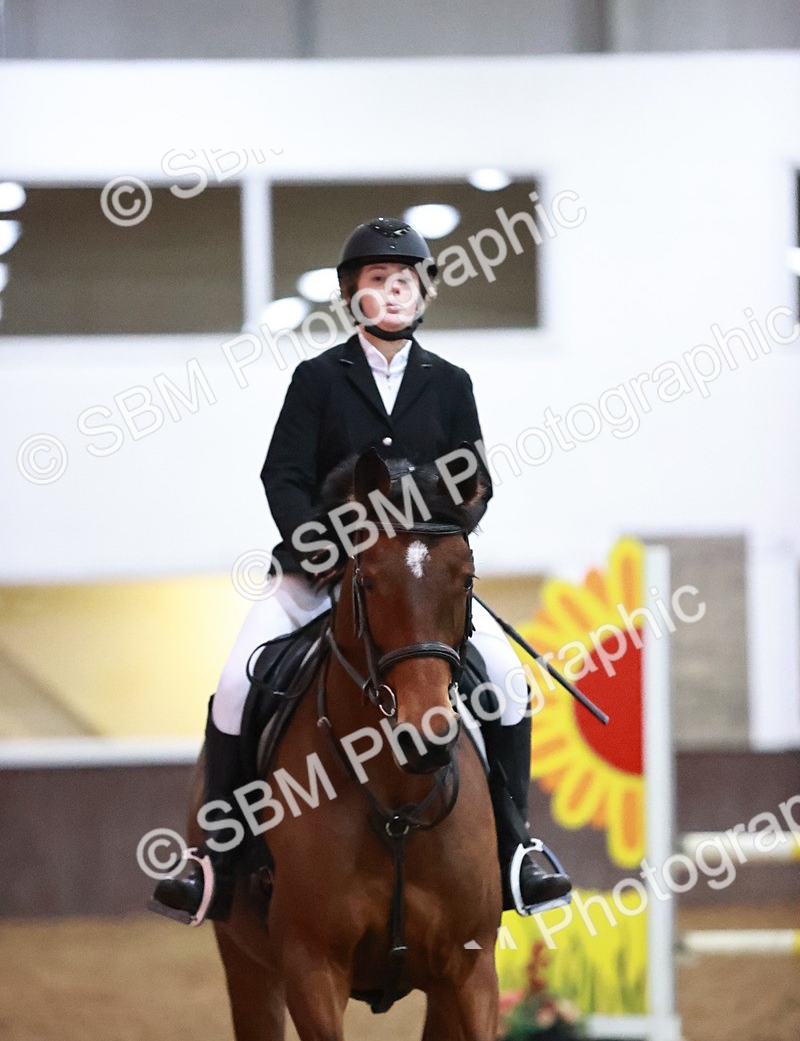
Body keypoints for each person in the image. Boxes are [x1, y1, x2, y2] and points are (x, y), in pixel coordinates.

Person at [151, 216, 572, 923]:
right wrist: (323, 545)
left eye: (405, 279)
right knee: (233, 684)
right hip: (316, 577)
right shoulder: (317, 378)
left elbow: (474, 478)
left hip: (412, 587)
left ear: (423, 295)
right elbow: (281, 474)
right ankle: (214, 861)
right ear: (354, 297)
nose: (394, 289)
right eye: (378, 280)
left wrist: (441, 545)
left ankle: (516, 849)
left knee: (508, 681)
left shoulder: (450, 383)